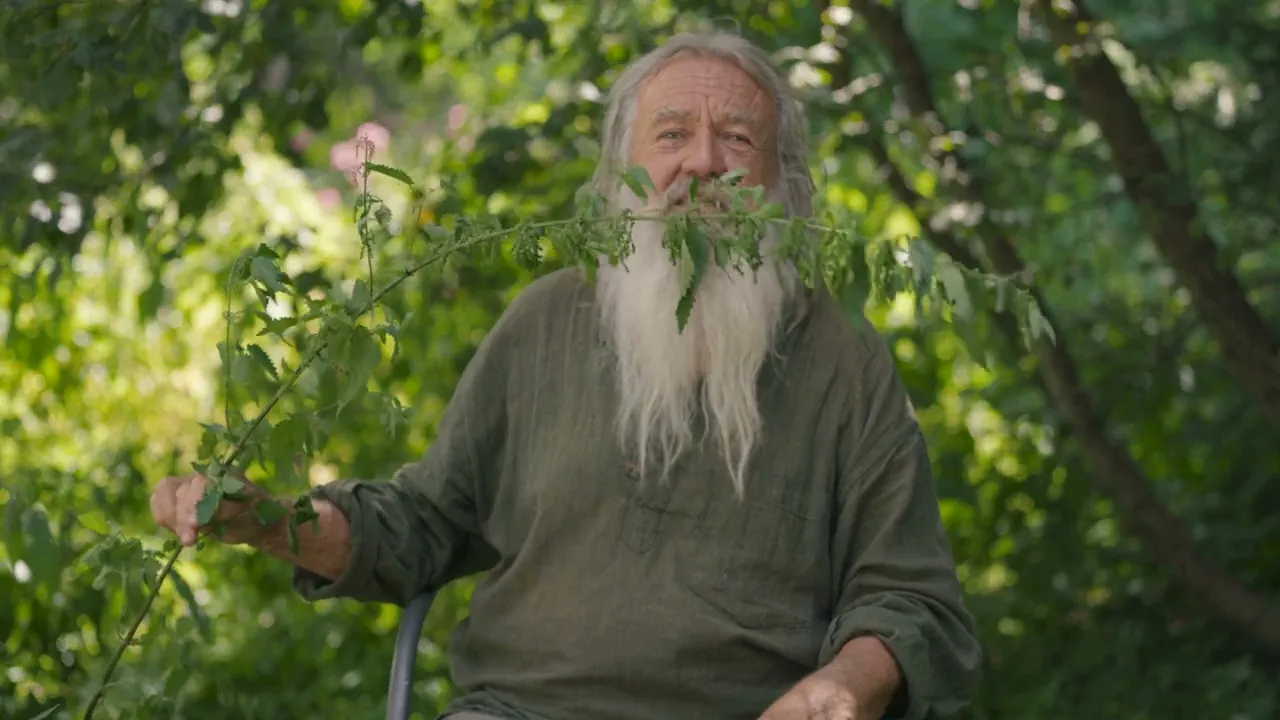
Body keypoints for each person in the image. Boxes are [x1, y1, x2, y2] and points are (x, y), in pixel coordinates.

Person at [150, 30, 982, 720]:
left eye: (737, 139)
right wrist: (267, 521)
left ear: (782, 183)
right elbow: (422, 526)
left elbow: (911, 601)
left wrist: (842, 688)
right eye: (670, 136)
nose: (702, 163)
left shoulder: (844, 359)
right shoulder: (546, 322)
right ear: (621, 174)